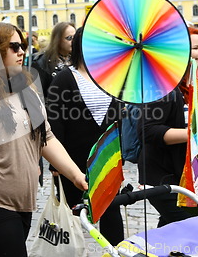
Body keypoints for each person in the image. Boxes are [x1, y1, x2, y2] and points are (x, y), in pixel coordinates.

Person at [0, 22, 87, 256]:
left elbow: (46, 138)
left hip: (22, 202)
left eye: (23, 45)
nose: (22, 51)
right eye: (14, 46)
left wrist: (76, 176)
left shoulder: (25, 87)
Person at [138, 28, 198, 227]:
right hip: (165, 177)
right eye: (196, 48)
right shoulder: (163, 86)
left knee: (173, 229)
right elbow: (148, 130)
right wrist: (194, 134)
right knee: (191, 227)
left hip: (195, 177)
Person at [46, 27, 124, 245]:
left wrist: (121, 154)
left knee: (112, 211)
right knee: (72, 216)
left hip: (106, 159)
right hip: (72, 160)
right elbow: (55, 122)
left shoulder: (112, 77)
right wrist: (57, 164)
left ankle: (115, 251)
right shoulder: (64, 77)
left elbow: (117, 119)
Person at [32, 22, 75, 98]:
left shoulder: (78, 59)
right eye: (69, 38)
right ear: (58, 40)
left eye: (75, 37)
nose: (73, 41)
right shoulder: (42, 62)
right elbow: (38, 95)